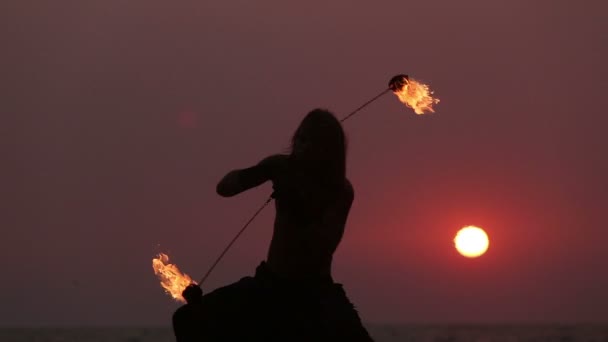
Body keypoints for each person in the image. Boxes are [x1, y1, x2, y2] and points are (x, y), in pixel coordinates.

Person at [173, 109, 374, 341]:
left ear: (327, 151)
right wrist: (264, 171)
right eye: (300, 138)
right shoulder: (280, 167)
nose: (302, 145)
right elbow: (224, 188)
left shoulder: (340, 190)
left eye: (311, 141)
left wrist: (296, 200)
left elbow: (324, 245)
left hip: (316, 294)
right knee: (186, 319)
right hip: (270, 284)